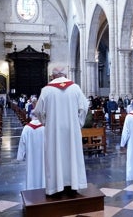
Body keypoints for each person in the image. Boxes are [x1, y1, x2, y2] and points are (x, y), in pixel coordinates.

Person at [33, 66, 88, 196]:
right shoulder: (75, 88)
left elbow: (38, 111)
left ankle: (55, 188)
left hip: (54, 131)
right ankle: (73, 185)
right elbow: (84, 108)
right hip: (72, 130)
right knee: (72, 155)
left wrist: (46, 122)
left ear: (52, 76)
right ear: (65, 75)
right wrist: (78, 123)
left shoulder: (46, 90)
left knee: (55, 155)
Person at [17, 112, 45, 190]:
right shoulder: (44, 128)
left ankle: (31, 190)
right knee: (42, 173)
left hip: (31, 157)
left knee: (31, 172)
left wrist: (20, 156)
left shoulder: (26, 128)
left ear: (30, 116)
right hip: (42, 156)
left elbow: (22, 142)